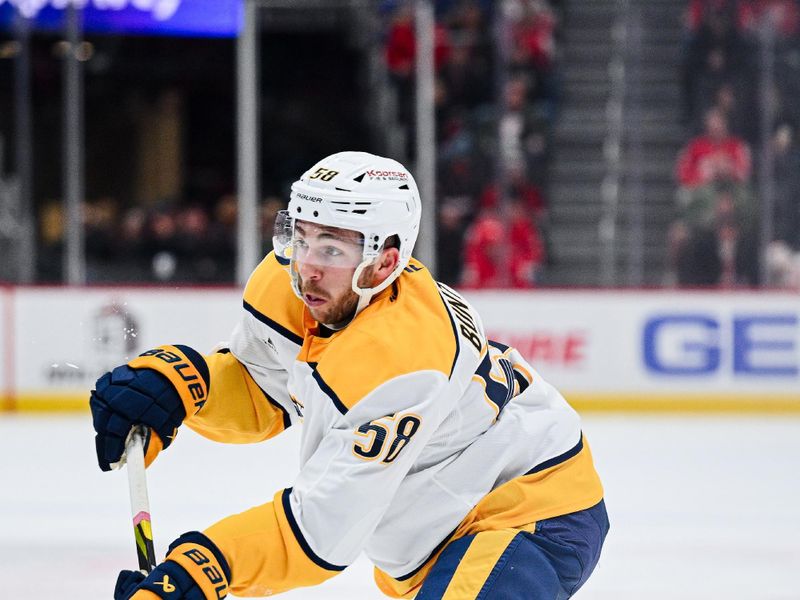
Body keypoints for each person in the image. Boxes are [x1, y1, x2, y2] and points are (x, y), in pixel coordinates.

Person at [90, 151, 608, 600]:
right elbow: (264, 392)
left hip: (532, 510)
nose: (307, 268)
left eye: (333, 249)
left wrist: (202, 570)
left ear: (384, 262)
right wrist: (187, 386)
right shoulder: (295, 284)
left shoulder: (402, 359)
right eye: (302, 237)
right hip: (436, 524)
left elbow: (318, 534)